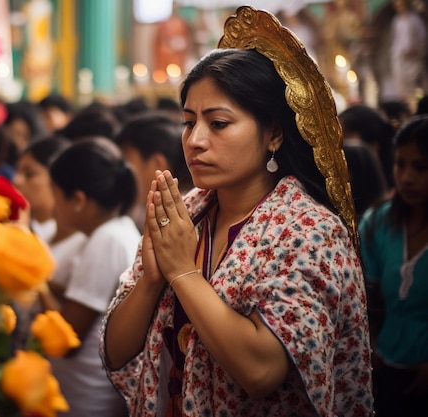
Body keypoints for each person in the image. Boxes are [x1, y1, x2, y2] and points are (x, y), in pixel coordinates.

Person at [100, 6, 373, 417]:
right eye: (189, 122)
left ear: (274, 134)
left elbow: (262, 371)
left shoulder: (308, 230)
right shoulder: (188, 211)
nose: (195, 141)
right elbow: (116, 352)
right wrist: (153, 279)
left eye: (219, 123)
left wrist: (183, 272)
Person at [38, 136, 140, 417]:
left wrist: (33, 280)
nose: (53, 205)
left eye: (55, 193)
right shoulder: (115, 230)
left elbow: (67, 337)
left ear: (78, 200)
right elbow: (77, 297)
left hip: (85, 402)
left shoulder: (106, 240)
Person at [358, 115, 428, 417]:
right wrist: (372, 349)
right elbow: (367, 300)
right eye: (400, 164)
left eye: (420, 168)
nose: (407, 177)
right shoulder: (377, 223)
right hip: (387, 368)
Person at [13, 136, 87, 297]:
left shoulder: (82, 245)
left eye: (29, 174)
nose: (16, 180)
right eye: (18, 171)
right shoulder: (45, 233)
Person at [115, 111, 194, 232]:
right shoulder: (144, 213)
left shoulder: (191, 215)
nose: (122, 175)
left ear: (158, 164)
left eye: (127, 165)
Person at [389, 0, 428, 105]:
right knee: (402, 91)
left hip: (413, 59)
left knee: (416, 91)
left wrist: (417, 50)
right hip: (400, 59)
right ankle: (405, 106)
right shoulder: (396, 21)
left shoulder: (414, 19)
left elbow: (422, 37)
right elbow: (396, 40)